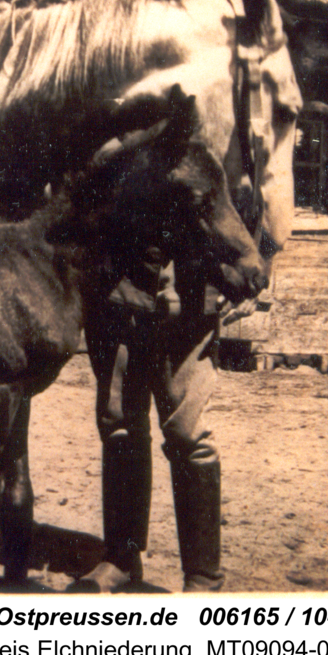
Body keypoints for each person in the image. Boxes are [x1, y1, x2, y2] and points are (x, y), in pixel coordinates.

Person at [73, 251, 225, 594]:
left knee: (188, 433)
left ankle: (203, 577)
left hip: (190, 296)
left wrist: (253, 274)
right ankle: (120, 558)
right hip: (116, 293)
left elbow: (269, 202)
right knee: (119, 424)